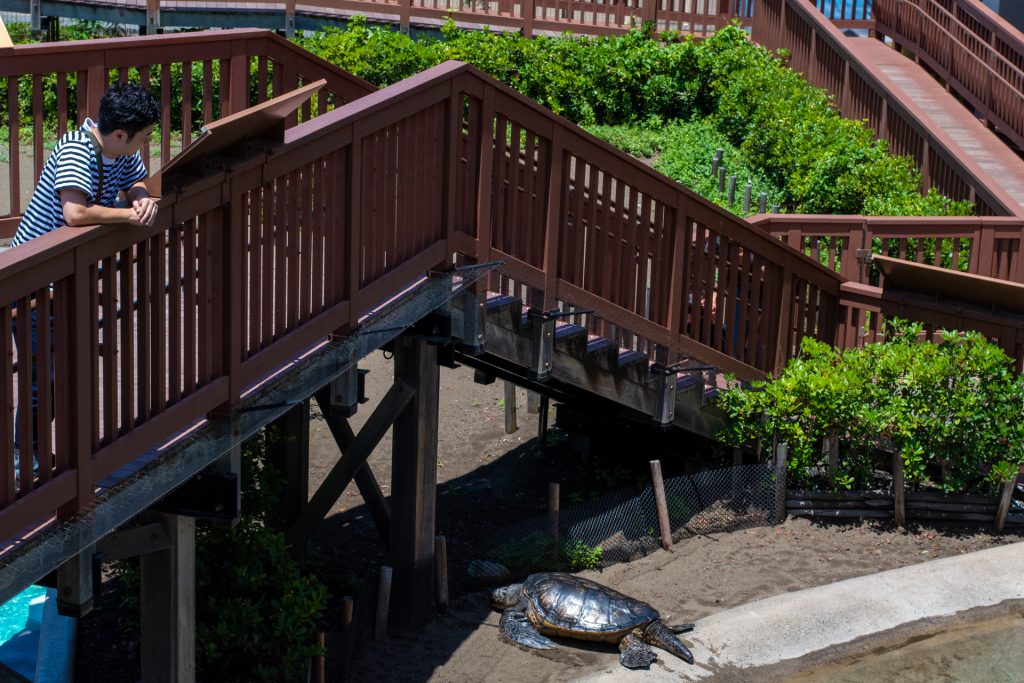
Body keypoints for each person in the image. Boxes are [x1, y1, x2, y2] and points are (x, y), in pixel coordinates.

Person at [11, 82, 161, 482]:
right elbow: (75, 213)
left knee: (60, 373)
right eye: (143, 138)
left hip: (63, 279)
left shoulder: (116, 150)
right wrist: (131, 216)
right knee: (42, 381)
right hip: (33, 282)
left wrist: (141, 197)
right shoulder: (79, 149)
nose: (143, 145)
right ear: (118, 135)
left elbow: (135, 180)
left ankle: (40, 457)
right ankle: (24, 463)